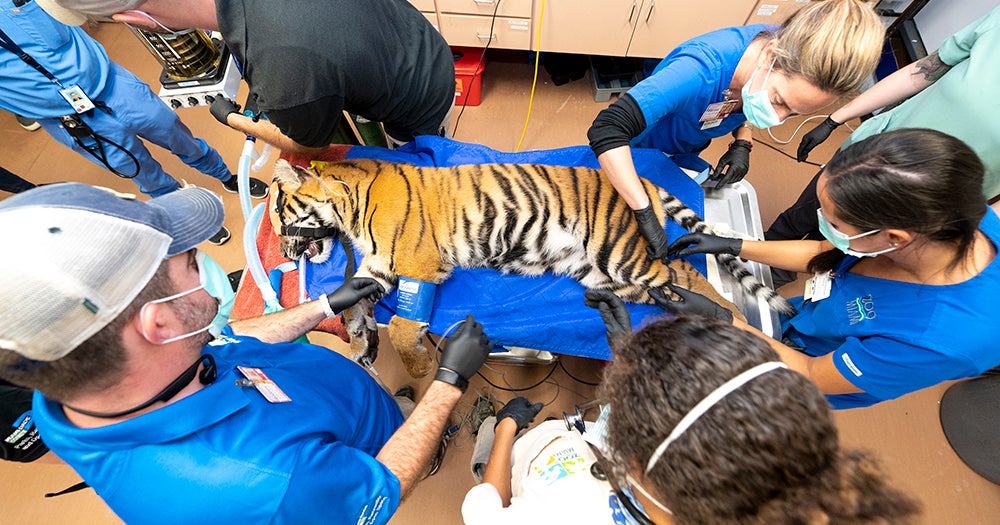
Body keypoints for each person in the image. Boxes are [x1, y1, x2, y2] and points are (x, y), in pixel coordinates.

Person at [0, 182, 493, 524]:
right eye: (192, 262)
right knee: (413, 452)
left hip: (343, 408)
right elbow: (380, 490)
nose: (210, 272)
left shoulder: (87, 393)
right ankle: (429, 451)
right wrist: (449, 383)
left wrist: (320, 304)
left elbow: (231, 340)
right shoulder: (266, 483)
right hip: (370, 458)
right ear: (160, 323)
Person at [462, 313, 920, 524]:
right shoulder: (751, 495)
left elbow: (486, 510)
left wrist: (506, 431)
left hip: (526, 462)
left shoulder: (563, 513)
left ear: (634, 464)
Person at [663, 128, 1000, 409]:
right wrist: (735, 245)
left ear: (894, 238)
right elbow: (826, 252)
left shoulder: (935, 339)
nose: (821, 223)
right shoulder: (948, 211)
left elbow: (809, 372)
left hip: (813, 370)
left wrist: (725, 321)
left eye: (833, 221)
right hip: (812, 318)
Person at [587, 0, 884, 260]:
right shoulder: (698, 71)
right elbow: (607, 130)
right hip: (635, 146)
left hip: (685, 144)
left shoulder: (786, 46)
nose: (778, 118)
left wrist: (743, 140)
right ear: (769, 56)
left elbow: (750, 94)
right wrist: (642, 210)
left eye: (793, 113)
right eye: (779, 101)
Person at [0, 1, 268, 244]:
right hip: (69, 119)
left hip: (110, 83)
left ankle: (226, 176)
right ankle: (187, 212)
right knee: (139, 170)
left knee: (175, 133)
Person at [38, 0, 456, 153]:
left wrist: (234, 117)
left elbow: (311, 145)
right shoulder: (283, 57)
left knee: (414, 161)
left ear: (133, 19)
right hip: (402, 31)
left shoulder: (286, 69)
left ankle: (421, 150)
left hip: (420, 89)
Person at [768, 6, 1000, 246]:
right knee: (804, 213)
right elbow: (919, 74)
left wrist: (972, 239)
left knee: (836, 249)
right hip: (872, 155)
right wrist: (834, 119)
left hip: (925, 204)